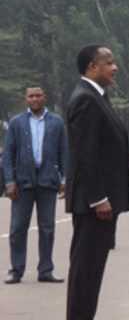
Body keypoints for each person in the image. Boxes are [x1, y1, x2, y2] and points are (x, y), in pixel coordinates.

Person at [65, 45, 129, 320]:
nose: (115, 67)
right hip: (94, 204)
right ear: (93, 67)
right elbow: (85, 153)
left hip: (102, 202)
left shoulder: (98, 97)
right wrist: (98, 197)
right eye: (109, 62)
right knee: (85, 272)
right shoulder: (85, 99)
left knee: (92, 271)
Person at [3, 87, 69, 284]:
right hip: (22, 183)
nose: (35, 99)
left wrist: (65, 179)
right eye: (31, 96)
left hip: (48, 182)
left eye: (38, 95)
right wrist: (9, 181)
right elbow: (8, 155)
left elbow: (64, 152)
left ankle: (46, 270)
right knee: (17, 229)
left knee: (47, 228)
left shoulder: (56, 122)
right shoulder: (16, 123)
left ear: (44, 97)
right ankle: (16, 270)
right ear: (26, 99)